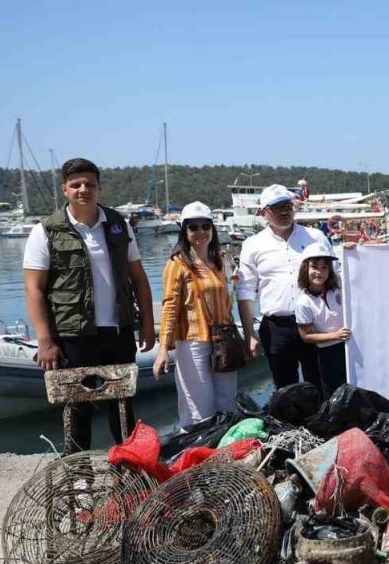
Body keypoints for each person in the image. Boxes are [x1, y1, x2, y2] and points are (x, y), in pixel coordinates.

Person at [23, 158, 155, 453]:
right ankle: (78, 474)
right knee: (76, 412)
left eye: (90, 184)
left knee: (122, 409)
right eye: (76, 185)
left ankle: (129, 471)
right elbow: (34, 289)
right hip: (72, 335)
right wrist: (45, 341)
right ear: (65, 190)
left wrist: (147, 322)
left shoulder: (119, 225)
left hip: (118, 331)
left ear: (99, 188)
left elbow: (138, 277)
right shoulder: (46, 231)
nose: (84, 189)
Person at [152, 202, 238, 429]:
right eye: (193, 227)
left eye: (205, 226)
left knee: (227, 404)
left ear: (212, 229)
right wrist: (163, 348)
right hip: (193, 342)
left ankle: (224, 455)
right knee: (198, 408)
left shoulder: (218, 260)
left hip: (223, 340)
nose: (200, 232)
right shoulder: (177, 264)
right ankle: (196, 453)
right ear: (185, 231)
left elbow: (226, 302)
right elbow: (170, 306)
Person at [237, 184, 331, 389]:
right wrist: (250, 334)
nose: (284, 211)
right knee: (284, 390)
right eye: (276, 207)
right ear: (263, 213)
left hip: (316, 324)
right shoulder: (252, 245)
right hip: (276, 328)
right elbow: (245, 292)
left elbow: (335, 278)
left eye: (287, 205)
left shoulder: (316, 237)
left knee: (320, 386)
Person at [296, 243, 350, 398]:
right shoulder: (303, 302)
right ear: (305, 269)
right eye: (314, 267)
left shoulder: (339, 286)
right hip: (328, 353)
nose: (319, 272)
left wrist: (353, 249)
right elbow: (306, 336)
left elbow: (355, 268)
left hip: (350, 347)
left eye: (324, 267)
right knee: (335, 395)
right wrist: (336, 335)